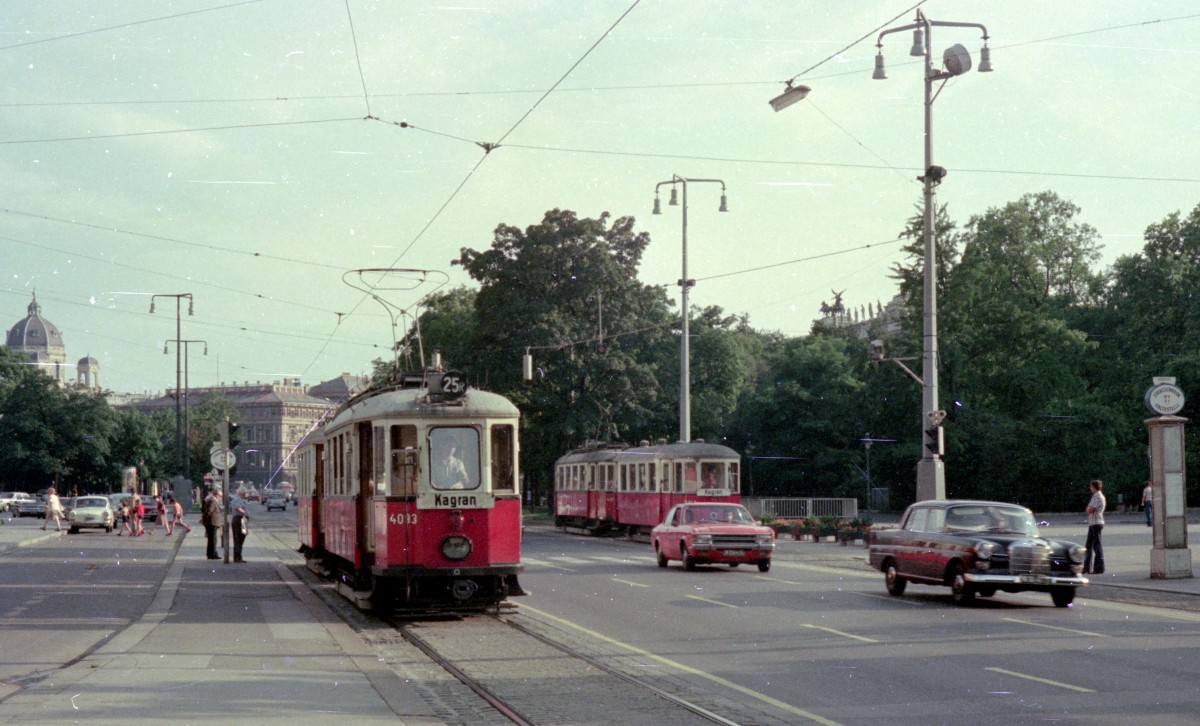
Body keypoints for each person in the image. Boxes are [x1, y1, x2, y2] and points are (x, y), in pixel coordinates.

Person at [1085, 479, 1106, 575]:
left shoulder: (1098, 496)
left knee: (1096, 546)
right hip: (1092, 523)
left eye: (1091, 487)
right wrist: (1088, 508)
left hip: (1096, 522)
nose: (1090, 488)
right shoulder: (1095, 496)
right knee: (1089, 545)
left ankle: (1099, 568)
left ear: (1094, 487)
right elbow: (1088, 508)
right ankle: (1086, 567)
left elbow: (1091, 509)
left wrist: (1089, 509)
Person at [202, 488, 222, 560]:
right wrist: (206, 520)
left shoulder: (212, 500)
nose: (221, 497)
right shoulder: (213, 501)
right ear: (217, 495)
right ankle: (213, 554)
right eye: (220, 496)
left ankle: (210, 554)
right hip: (212, 523)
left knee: (211, 539)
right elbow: (208, 511)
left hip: (211, 523)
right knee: (213, 540)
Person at [230, 491, 249, 562]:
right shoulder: (238, 500)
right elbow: (237, 507)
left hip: (237, 519)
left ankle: (237, 557)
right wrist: (244, 513)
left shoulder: (235, 499)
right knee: (240, 539)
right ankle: (238, 557)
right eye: (244, 494)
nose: (245, 495)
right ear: (241, 494)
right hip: (240, 520)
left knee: (238, 539)